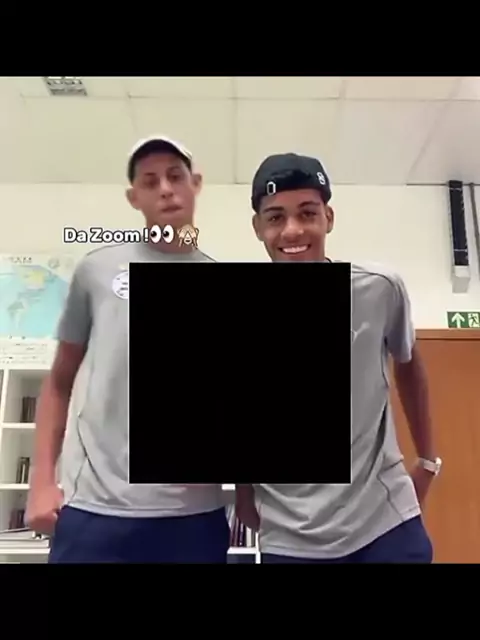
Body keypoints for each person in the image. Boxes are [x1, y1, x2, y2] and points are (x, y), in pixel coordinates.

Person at [25, 135, 230, 563]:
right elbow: (59, 381)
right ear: (133, 197)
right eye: (150, 181)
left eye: (175, 177)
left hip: (192, 517)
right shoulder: (97, 271)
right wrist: (41, 483)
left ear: (195, 184)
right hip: (96, 510)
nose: (166, 189)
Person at [235, 152, 441, 563]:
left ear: (328, 218)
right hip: (290, 534)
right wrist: (243, 495)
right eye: (275, 217)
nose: (293, 230)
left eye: (307, 213)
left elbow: (408, 364)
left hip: (383, 524)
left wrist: (427, 459)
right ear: (257, 227)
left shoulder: (378, 289)